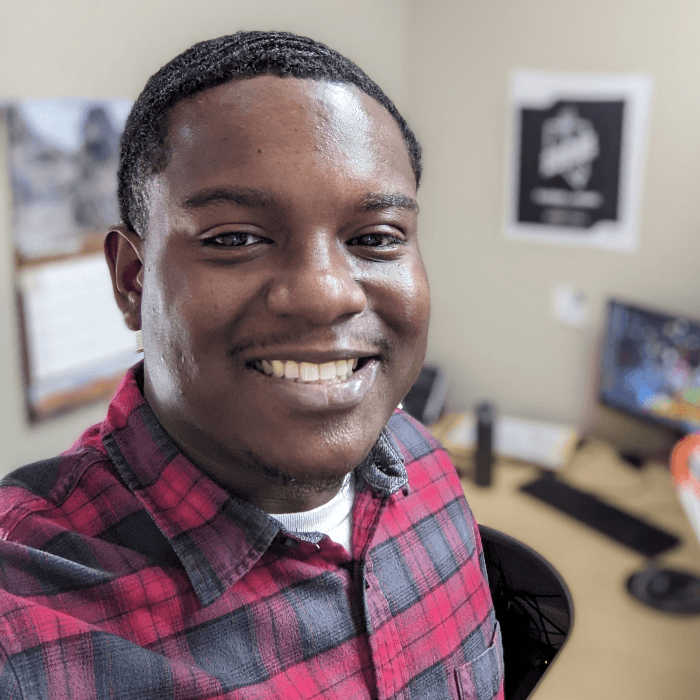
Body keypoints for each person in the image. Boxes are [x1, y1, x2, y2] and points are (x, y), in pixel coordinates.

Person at [0, 31, 503, 699]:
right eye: (235, 237)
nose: (325, 294)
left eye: (376, 238)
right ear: (132, 281)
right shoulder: (22, 620)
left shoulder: (428, 468)